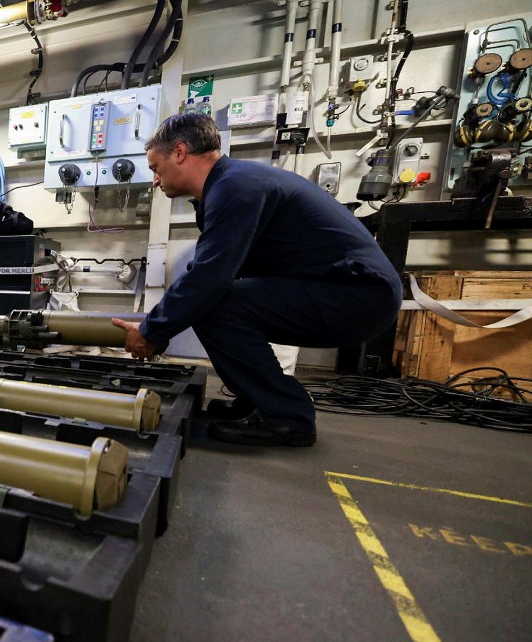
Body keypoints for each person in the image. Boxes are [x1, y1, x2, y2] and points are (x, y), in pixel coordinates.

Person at [113, 113, 402, 447]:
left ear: (179, 152)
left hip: (360, 296)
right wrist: (159, 327)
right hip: (348, 291)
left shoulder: (235, 187)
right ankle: (259, 401)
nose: (154, 180)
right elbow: (215, 272)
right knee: (218, 301)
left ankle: (287, 416)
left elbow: (208, 278)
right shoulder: (231, 185)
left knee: (216, 305)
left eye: (155, 168)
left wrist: (151, 331)